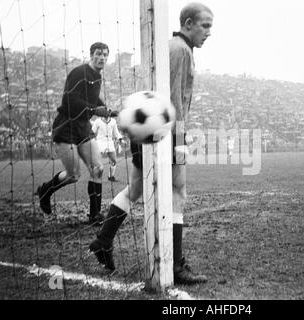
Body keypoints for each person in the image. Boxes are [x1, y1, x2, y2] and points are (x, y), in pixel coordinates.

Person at [89, 3, 213, 285]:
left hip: (144, 128)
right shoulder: (180, 50)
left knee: (135, 188)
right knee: (178, 191)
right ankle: (176, 265)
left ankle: (103, 240)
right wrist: (180, 142)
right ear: (189, 23)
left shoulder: (169, 46)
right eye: (205, 26)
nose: (209, 33)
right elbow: (174, 102)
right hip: (164, 131)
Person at [36, 42, 111, 225]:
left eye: (105, 55)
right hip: (66, 125)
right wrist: (96, 110)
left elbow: (91, 98)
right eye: (99, 54)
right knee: (73, 175)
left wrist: (103, 107)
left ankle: (94, 216)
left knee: (98, 169)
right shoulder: (79, 72)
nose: (102, 58)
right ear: (91, 54)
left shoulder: (98, 76)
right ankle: (46, 190)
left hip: (83, 126)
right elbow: (69, 99)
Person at [92, 114, 124, 182]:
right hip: (100, 142)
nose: (106, 113)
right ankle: (95, 177)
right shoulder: (97, 121)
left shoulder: (113, 121)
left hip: (110, 143)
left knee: (114, 161)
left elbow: (116, 133)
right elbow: (92, 132)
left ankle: (111, 176)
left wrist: (121, 139)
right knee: (97, 162)